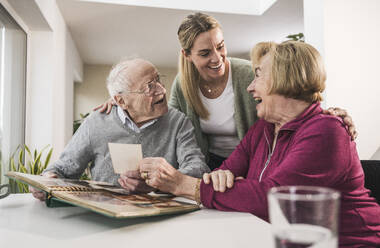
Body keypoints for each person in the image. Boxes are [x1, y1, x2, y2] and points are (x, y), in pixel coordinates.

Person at [132, 41, 380, 247]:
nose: (250, 86)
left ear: (285, 78)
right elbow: (222, 174)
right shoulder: (263, 128)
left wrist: (181, 183)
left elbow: (273, 200)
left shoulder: (327, 130)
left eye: (258, 75)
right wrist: (225, 182)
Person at [96, 12, 357, 171]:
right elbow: (167, 123)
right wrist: (125, 99)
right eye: (205, 53)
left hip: (257, 160)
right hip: (209, 162)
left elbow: (289, 97)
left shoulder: (247, 73)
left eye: (221, 46)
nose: (218, 58)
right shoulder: (182, 85)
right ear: (187, 55)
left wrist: (325, 113)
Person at [31, 58, 210, 201]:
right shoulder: (96, 122)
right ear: (121, 101)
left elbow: (198, 168)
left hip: (160, 220)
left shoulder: (178, 122)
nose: (162, 90)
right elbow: (63, 169)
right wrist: (48, 178)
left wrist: (159, 183)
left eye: (158, 80)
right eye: (149, 87)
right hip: (103, 217)